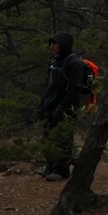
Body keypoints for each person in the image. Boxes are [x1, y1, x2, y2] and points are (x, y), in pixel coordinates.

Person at [38, 32, 84, 181]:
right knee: (48, 137)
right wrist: (41, 106)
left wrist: (62, 108)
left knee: (62, 138)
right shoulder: (54, 63)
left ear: (62, 45)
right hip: (49, 107)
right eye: (50, 44)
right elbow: (48, 86)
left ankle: (62, 169)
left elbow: (74, 89)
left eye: (54, 44)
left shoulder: (73, 63)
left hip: (65, 109)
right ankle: (50, 166)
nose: (51, 47)